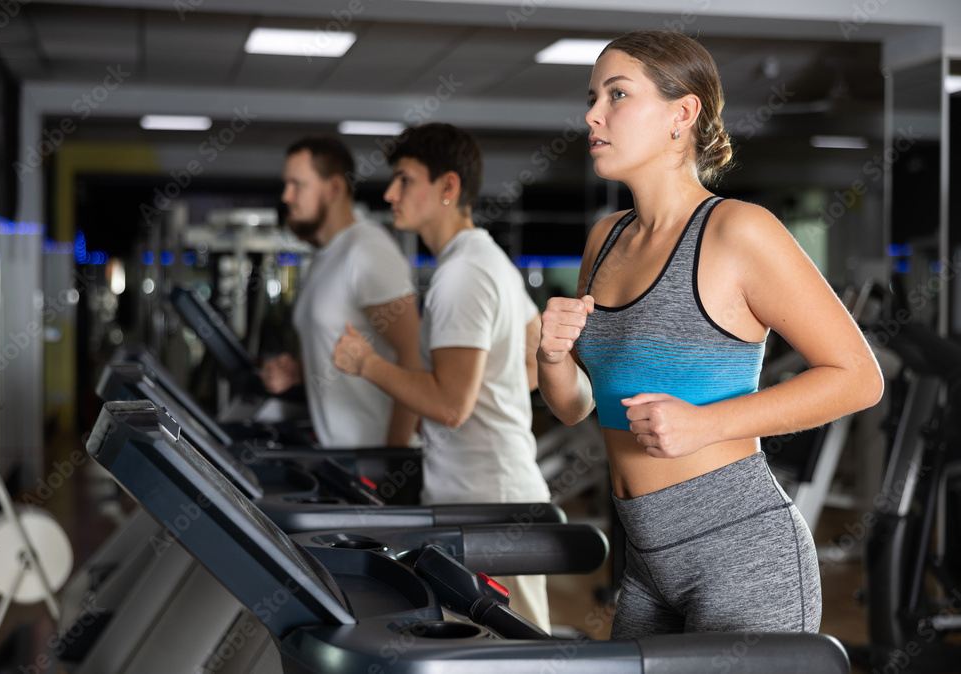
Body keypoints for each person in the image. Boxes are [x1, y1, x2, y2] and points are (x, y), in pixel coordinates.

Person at [537, 30, 884, 639]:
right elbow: (573, 407)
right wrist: (552, 356)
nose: (592, 114)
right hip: (646, 558)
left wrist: (707, 423)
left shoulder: (737, 232)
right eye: (593, 96)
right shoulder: (605, 237)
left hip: (742, 553)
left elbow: (858, 378)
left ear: (683, 112)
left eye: (617, 94)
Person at [331, 123, 552, 631]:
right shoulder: (486, 258)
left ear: (448, 188)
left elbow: (452, 405)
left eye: (405, 180)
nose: (390, 194)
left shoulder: (461, 276)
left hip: (487, 504)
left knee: (514, 660)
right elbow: (532, 359)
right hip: (490, 491)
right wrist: (493, 389)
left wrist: (367, 364)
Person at [260, 135, 421, 448]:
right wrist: (298, 371)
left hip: (376, 457)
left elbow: (414, 352)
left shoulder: (368, 250)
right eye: (286, 185)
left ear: (334, 188)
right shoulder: (324, 257)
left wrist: (396, 453)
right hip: (340, 456)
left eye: (297, 185)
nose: (287, 196)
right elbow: (348, 349)